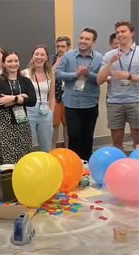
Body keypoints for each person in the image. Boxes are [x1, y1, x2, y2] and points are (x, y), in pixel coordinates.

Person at [56, 28, 103, 161]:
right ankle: (74, 163)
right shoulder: (68, 56)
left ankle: (87, 165)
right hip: (72, 103)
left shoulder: (99, 58)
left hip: (90, 103)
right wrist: (75, 74)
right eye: (81, 38)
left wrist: (89, 74)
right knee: (74, 135)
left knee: (87, 137)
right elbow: (58, 74)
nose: (83, 41)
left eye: (87, 39)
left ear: (93, 42)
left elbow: (101, 78)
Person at [97, 21, 139, 150]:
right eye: (117, 32)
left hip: (136, 101)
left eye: (123, 31)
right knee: (116, 142)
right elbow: (99, 80)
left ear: (132, 33)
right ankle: (119, 166)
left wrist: (128, 76)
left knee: (137, 142)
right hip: (115, 102)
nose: (120, 34)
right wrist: (110, 63)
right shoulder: (110, 55)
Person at [0, 50, 37, 165]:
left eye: (16, 61)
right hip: (4, 124)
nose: (13, 64)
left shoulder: (25, 81)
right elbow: (0, 103)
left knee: (24, 156)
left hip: (22, 124)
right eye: (9, 61)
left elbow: (32, 101)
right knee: (7, 158)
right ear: (4, 63)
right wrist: (22, 97)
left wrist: (13, 98)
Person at [22, 45, 55, 152]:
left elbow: (52, 96)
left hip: (45, 111)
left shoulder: (50, 74)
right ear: (32, 57)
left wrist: (51, 113)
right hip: (29, 111)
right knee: (27, 144)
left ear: (46, 58)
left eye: (42, 55)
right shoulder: (24, 73)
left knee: (46, 145)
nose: (39, 57)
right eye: (36, 54)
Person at [51, 36, 71, 149]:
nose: (60, 49)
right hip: (56, 97)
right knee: (54, 126)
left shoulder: (72, 59)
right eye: (58, 46)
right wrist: (57, 62)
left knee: (68, 126)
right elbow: (49, 74)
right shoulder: (50, 59)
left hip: (69, 98)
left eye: (63, 46)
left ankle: (68, 150)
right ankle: (52, 149)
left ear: (68, 47)